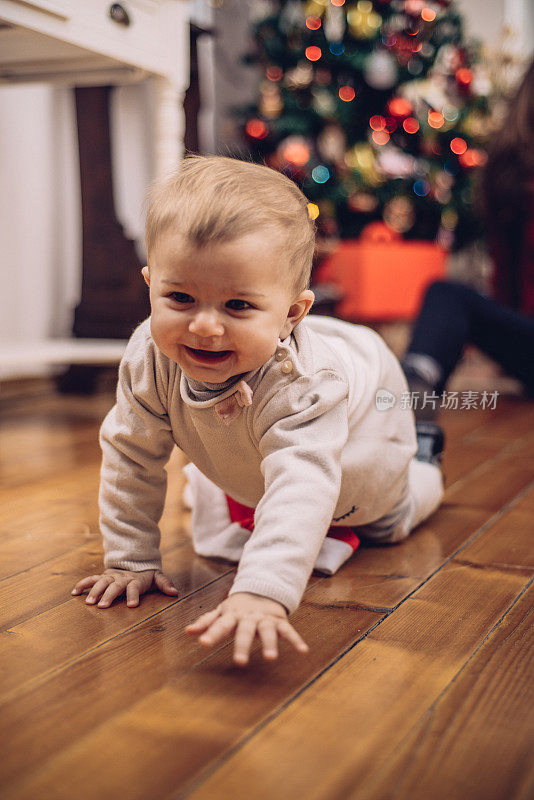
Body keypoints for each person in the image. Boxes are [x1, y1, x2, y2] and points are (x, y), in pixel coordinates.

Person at [71, 155, 444, 665]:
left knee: (380, 516)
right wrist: (131, 558)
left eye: (238, 306)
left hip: (368, 412)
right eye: (179, 297)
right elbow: (130, 455)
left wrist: (262, 590)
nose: (203, 326)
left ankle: (423, 460)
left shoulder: (306, 386)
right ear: (150, 283)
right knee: (235, 489)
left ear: (293, 313)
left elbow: (302, 483)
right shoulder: (149, 356)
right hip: (255, 413)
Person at [403, 59, 534, 419]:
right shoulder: (512, 175)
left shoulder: (512, 174)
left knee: (447, 295)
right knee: (445, 294)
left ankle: (414, 387)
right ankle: (414, 390)